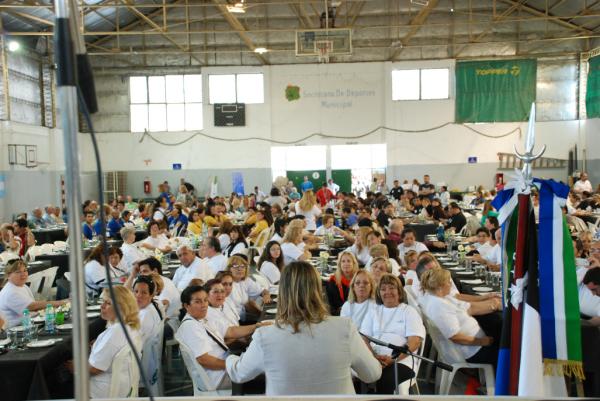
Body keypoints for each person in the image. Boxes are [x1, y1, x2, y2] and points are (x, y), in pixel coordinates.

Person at [226, 261, 382, 395]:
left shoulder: (265, 336)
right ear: (318, 291)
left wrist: (230, 358)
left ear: (283, 293)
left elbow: (239, 374)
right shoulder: (344, 328)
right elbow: (372, 374)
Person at [176, 285, 268, 391]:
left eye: (205, 300)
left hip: (226, 366)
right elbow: (204, 360)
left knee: (263, 366)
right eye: (198, 302)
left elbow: (230, 331)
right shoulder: (190, 327)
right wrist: (235, 366)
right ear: (186, 306)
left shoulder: (202, 319)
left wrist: (256, 326)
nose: (204, 305)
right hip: (219, 378)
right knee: (267, 377)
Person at [66, 286, 142, 398]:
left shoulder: (115, 332)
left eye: (108, 303)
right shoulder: (131, 327)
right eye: (103, 302)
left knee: (58, 383)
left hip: (102, 390)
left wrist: (74, 367)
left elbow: (95, 369)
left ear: (122, 308)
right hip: (125, 384)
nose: (102, 306)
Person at [419, 269, 498, 368]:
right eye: (448, 282)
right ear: (440, 286)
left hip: (475, 345)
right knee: (508, 349)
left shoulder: (443, 297)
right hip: (472, 351)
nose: (451, 284)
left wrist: (494, 304)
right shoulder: (438, 306)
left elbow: (469, 308)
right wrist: (482, 341)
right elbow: (455, 336)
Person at [361, 274, 425, 393]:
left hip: (402, 361)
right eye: (383, 289)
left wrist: (392, 359)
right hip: (373, 358)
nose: (387, 292)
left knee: (385, 379)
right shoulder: (373, 311)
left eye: (392, 288)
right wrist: (373, 356)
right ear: (379, 293)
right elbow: (364, 339)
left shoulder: (409, 311)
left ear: (399, 292)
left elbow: (414, 342)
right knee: (352, 373)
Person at [0, 259, 66, 327]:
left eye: (25, 270)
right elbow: (32, 307)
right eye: (18, 272)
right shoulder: (10, 292)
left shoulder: (22, 286)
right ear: (8, 275)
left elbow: (35, 307)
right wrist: (61, 302)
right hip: (16, 330)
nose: (23, 274)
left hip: (26, 324)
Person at [226, 255, 272, 321]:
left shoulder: (245, 280)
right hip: (235, 321)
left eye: (242, 266)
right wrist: (262, 314)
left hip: (244, 317)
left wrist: (266, 295)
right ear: (229, 268)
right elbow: (247, 305)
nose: (240, 269)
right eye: (235, 266)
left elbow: (263, 291)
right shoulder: (227, 284)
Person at [325, 251, 359, 316]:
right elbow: (333, 305)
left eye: (349, 261)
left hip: (357, 312)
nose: (346, 264)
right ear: (339, 264)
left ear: (354, 263)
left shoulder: (358, 280)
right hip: (339, 314)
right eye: (343, 261)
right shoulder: (333, 281)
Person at [133, 275, 163, 343]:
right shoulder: (149, 307)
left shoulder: (146, 315)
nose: (138, 295)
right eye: (136, 291)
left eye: (144, 293)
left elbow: (135, 343)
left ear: (151, 295)